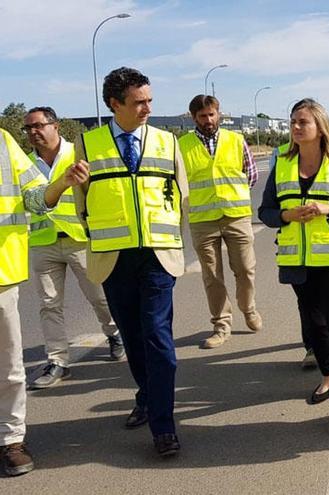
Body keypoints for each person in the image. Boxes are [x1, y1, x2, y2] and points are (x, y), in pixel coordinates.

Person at [66, 67, 188, 456]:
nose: (147, 108)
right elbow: (80, 204)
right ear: (114, 104)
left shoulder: (168, 141)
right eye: (139, 102)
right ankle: (147, 396)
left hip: (157, 256)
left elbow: (180, 195)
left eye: (150, 100)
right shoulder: (88, 143)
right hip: (113, 258)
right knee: (134, 339)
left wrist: (166, 237)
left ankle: (164, 427)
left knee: (157, 337)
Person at [259, 98, 329, 434]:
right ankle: (328, 374)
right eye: (292, 121)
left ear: (319, 126)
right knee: (314, 325)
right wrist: (285, 215)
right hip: (297, 262)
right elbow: (264, 212)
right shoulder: (281, 163)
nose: (295, 127)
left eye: (302, 122)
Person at [22, 107, 124, 390]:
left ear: (55, 126)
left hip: (80, 237)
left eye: (38, 126)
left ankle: (114, 334)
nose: (33, 132)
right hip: (43, 242)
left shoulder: (78, 153)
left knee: (99, 296)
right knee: (49, 305)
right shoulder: (26, 163)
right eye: (28, 128)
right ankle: (57, 361)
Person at [0, 126, 80, 475]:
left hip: (1, 274)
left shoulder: (3, 142)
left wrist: (60, 184)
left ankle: (11, 440)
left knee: (9, 368)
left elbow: (34, 197)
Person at [179, 95, 261, 349]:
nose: (208, 120)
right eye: (202, 116)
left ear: (219, 114)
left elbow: (251, 174)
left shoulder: (235, 140)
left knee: (245, 269)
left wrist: (232, 196)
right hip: (202, 221)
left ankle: (248, 309)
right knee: (212, 276)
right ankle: (221, 325)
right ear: (194, 117)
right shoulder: (181, 146)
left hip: (236, 216)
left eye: (212, 114)